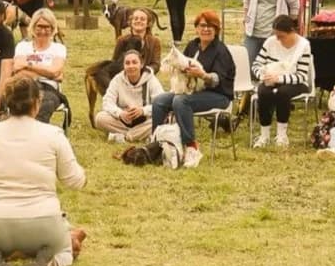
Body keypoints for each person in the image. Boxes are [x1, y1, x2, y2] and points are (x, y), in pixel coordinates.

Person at [0, 75, 88, 266]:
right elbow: (74, 180)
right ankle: (47, 263)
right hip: (43, 222)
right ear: (37, 103)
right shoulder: (53, 134)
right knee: (65, 253)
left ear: (6, 102)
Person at [151, 10, 235, 169]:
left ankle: (191, 147)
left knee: (181, 101)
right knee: (160, 100)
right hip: (193, 92)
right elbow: (182, 64)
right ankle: (158, 143)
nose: (206, 29)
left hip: (219, 95)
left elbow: (218, 80)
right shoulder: (192, 45)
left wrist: (203, 75)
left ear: (217, 30)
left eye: (211, 26)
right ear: (196, 28)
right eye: (203, 25)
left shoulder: (221, 50)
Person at [250, 14, 314, 148]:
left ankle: (282, 134)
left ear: (292, 31)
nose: (278, 39)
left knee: (282, 92)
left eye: (281, 36)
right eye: (276, 36)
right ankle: (264, 135)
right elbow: (256, 65)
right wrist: (262, 75)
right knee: (263, 91)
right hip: (270, 79)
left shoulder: (303, 45)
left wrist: (280, 78)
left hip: (295, 82)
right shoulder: (270, 42)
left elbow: (302, 75)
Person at [94, 49, 164, 143]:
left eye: (134, 62)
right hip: (123, 121)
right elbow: (107, 102)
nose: (131, 66)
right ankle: (139, 135)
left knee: (164, 118)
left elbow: (161, 104)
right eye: (127, 63)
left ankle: (125, 137)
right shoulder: (117, 79)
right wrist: (120, 113)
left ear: (141, 64)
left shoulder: (151, 79)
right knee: (99, 118)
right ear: (124, 66)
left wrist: (142, 111)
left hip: (145, 120)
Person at [13, 8, 67, 123]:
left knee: (44, 106)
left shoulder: (59, 48)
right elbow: (17, 68)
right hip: (24, 86)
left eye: (47, 27)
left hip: (49, 89)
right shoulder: (22, 46)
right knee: (19, 105)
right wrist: (49, 74)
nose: (43, 31)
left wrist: (27, 65)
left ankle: (36, 137)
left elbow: (54, 71)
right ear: (33, 27)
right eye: (39, 26)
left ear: (53, 28)